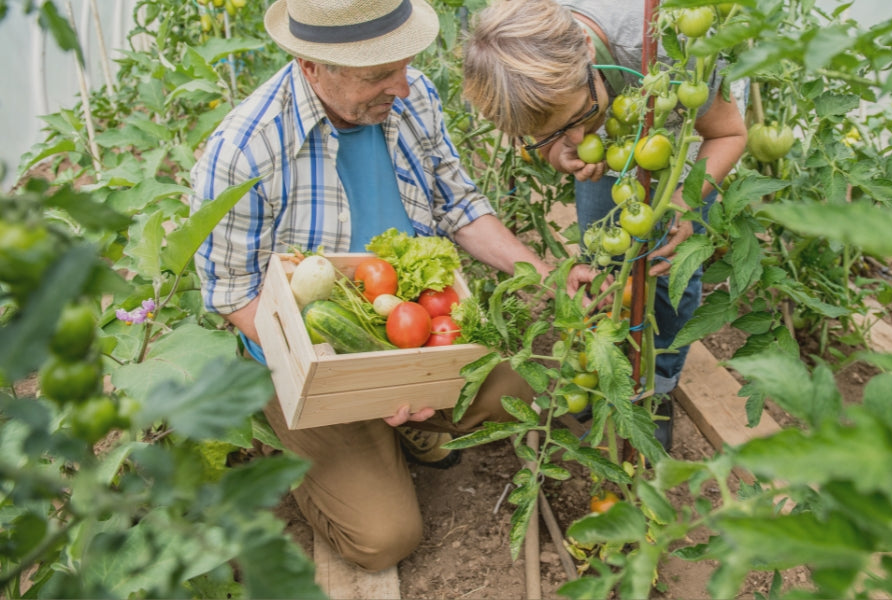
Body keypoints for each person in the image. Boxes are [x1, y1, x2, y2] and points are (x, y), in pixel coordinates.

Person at [189, 0, 597, 572]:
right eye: (379, 74)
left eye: (404, 65)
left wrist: (546, 274)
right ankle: (298, 445)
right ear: (312, 67)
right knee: (384, 539)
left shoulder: (413, 95)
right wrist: (351, 381)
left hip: (419, 326)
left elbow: (458, 204)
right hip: (315, 358)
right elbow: (233, 292)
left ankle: (415, 423)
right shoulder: (245, 150)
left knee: (543, 383)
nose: (402, 87)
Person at [462, 0, 748, 449]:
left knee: (675, 274)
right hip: (617, 132)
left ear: (591, 62)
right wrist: (556, 148)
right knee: (602, 264)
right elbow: (553, 134)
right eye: (555, 129)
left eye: (574, 121)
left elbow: (729, 133)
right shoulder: (537, 59)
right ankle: (610, 371)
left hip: (693, 132)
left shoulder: (675, 49)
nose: (577, 140)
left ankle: (660, 385)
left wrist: (683, 205)